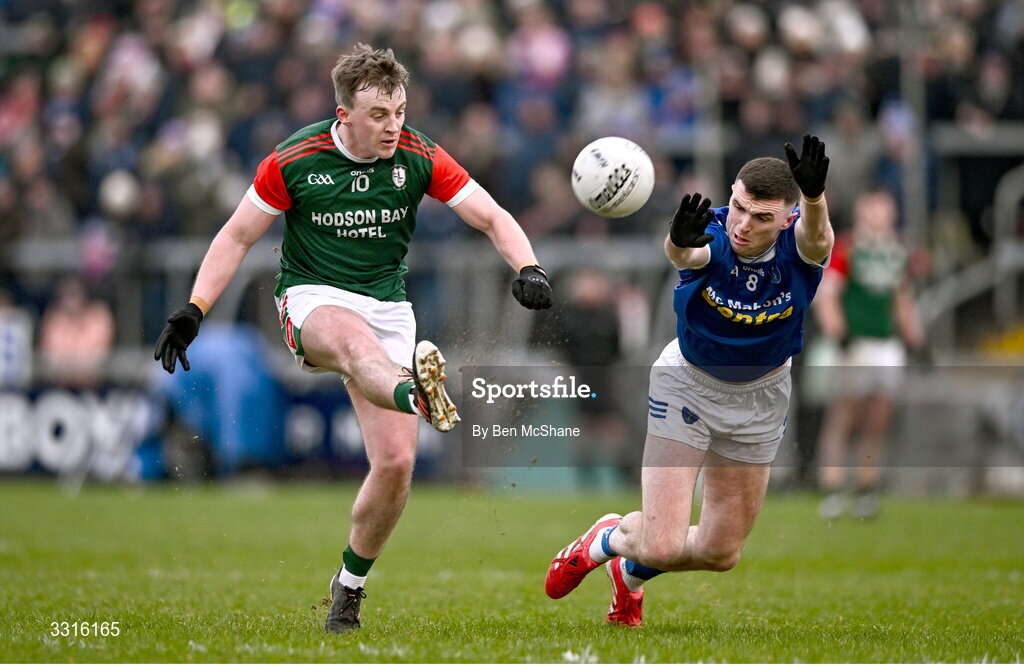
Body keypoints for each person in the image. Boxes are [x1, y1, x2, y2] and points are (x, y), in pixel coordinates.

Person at [153, 44, 553, 633]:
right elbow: (237, 237)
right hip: (313, 298)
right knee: (354, 346)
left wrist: (529, 268)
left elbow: (491, 216)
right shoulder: (294, 159)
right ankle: (416, 392)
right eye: (378, 115)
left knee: (394, 463)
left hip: (389, 306)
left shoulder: (418, 154)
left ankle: (349, 586)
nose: (393, 126)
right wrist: (194, 308)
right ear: (344, 114)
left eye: (399, 111)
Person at [544, 135, 832, 627]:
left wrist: (813, 199)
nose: (743, 224)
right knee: (663, 542)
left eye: (761, 217)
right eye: (739, 206)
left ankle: (628, 575)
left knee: (721, 553)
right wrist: (680, 238)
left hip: (763, 395)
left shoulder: (801, 242)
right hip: (688, 387)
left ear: (786, 219)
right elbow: (686, 256)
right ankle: (607, 537)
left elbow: (819, 240)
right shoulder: (716, 231)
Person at [814, 188, 923, 520]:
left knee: (878, 419)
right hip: (856, 342)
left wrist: (914, 335)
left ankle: (866, 486)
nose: (878, 215)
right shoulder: (848, 247)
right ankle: (832, 486)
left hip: (886, 344)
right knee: (844, 414)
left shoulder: (897, 250)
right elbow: (827, 294)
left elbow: (901, 297)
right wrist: (837, 331)